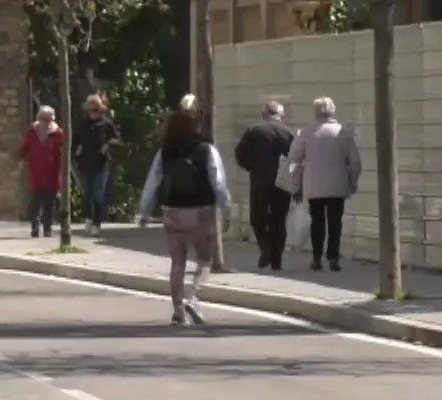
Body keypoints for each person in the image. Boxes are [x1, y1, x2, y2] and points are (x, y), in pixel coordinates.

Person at [137, 105, 231, 326]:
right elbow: (218, 181)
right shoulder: (206, 150)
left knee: (177, 262)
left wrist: (144, 211)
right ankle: (194, 298)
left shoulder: (166, 151)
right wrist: (225, 207)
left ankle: (178, 309)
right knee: (204, 260)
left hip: (172, 210)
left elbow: (153, 182)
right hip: (201, 210)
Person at [286, 96, 361, 272]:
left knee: (317, 222)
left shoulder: (307, 132)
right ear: (333, 110)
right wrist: (352, 180)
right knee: (335, 222)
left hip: (314, 186)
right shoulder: (344, 132)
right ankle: (333, 258)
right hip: (337, 185)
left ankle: (317, 258)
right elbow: (355, 162)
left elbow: (293, 157)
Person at [235, 99, 297, 270]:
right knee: (279, 220)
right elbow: (296, 159)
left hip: (260, 181)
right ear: (280, 115)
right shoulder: (289, 133)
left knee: (257, 217)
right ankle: (276, 260)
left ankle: (266, 247)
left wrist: (251, 167)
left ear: (264, 114)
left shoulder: (254, 131)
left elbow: (239, 154)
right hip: (283, 182)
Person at [74, 94, 120, 236]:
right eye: (89, 110)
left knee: (97, 193)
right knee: (88, 193)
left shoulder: (106, 124)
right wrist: (74, 154)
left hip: (101, 163)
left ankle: (96, 222)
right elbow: (75, 141)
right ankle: (89, 217)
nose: (92, 114)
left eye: (95, 110)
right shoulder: (82, 125)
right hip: (86, 162)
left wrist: (108, 145)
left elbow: (117, 140)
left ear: (100, 110)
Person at [19, 105, 66, 238]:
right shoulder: (32, 132)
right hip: (35, 172)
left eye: (49, 119)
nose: (46, 122)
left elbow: (63, 151)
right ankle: (35, 227)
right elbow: (24, 147)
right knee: (35, 202)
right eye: (43, 119)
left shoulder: (58, 133)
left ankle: (47, 228)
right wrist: (24, 158)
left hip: (51, 173)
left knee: (48, 203)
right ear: (38, 118)